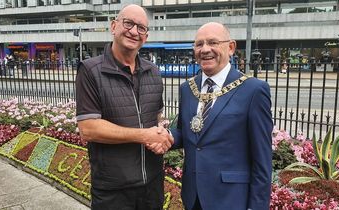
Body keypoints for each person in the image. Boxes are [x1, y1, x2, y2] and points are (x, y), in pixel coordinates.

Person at [75, 4, 173, 210]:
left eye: (141, 28)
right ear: (114, 26)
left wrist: (160, 134)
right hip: (113, 189)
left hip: (152, 184)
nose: (134, 31)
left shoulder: (153, 71)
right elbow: (89, 129)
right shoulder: (90, 70)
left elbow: (155, 116)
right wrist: (145, 135)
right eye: (128, 23)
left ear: (145, 37)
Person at [166, 22, 273, 210]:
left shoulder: (253, 90)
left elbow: (262, 159)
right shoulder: (187, 88)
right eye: (199, 44)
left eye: (213, 42)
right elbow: (187, 132)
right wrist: (165, 136)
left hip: (232, 199)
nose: (205, 49)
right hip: (194, 197)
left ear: (230, 47)